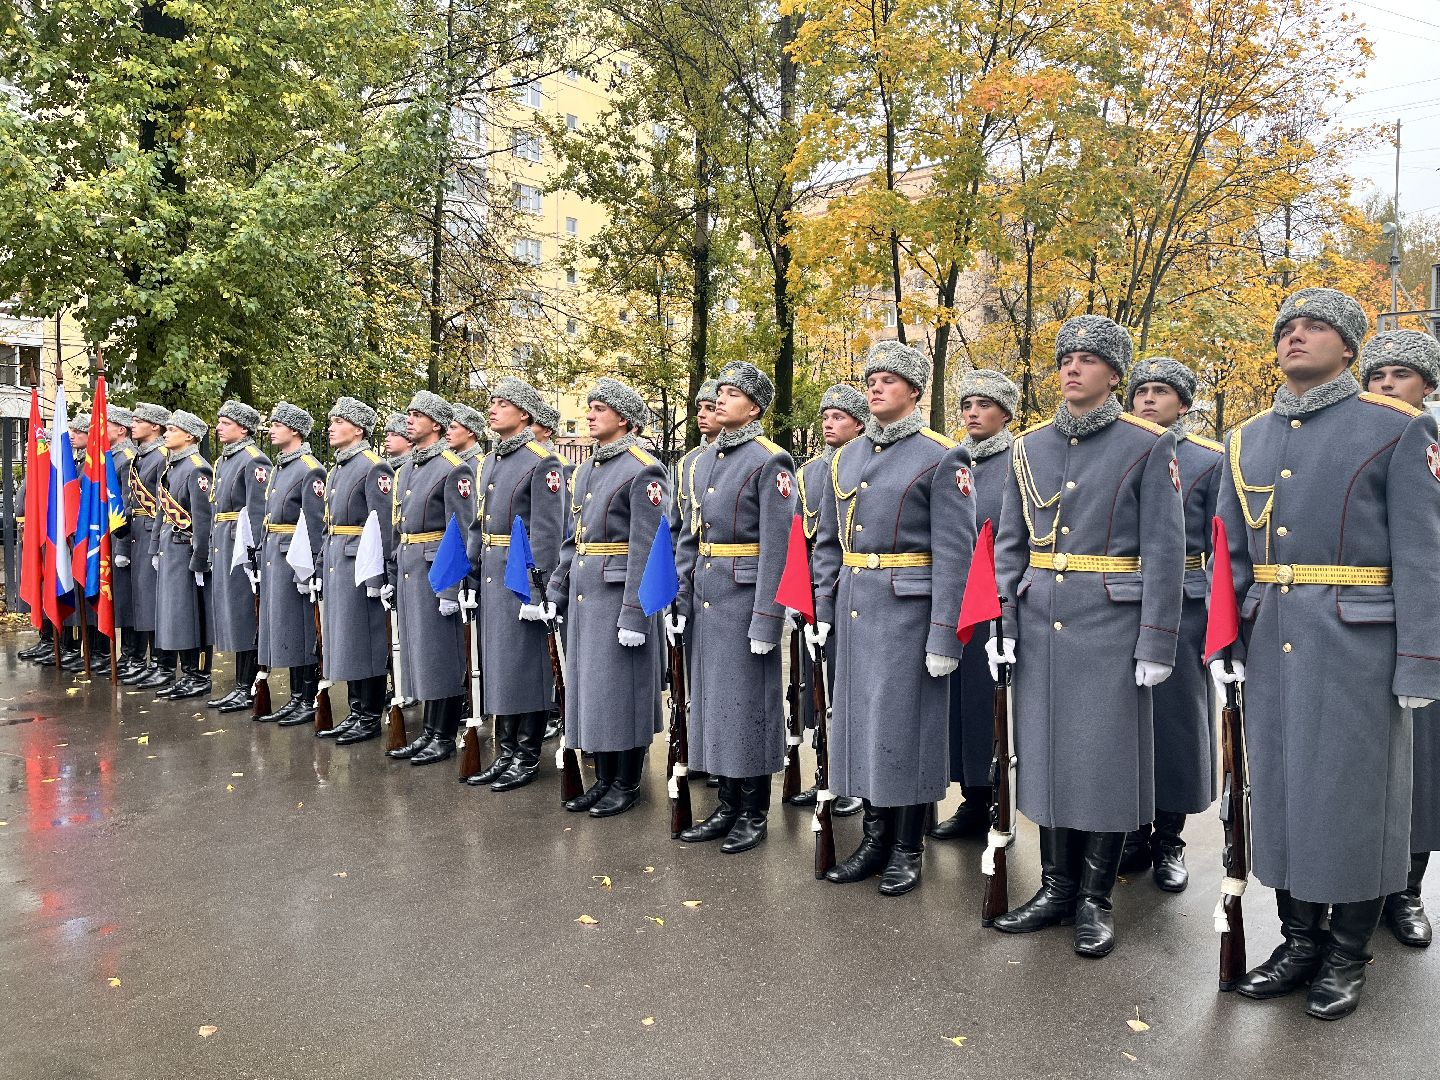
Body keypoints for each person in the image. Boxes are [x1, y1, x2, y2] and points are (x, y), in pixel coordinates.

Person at [1210, 290, 1440, 1020]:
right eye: (1287, 327)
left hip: (1358, 645)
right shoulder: (1246, 438)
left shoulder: (1398, 427)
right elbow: (1229, 553)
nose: (1296, 336)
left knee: (1353, 800)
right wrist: (1224, 640)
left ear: (1348, 348)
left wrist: (1421, 661)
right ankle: (1299, 942)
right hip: (1272, 639)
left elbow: (1423, 555)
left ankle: (1346, 952)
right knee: (1280, 794)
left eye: (1315, 327)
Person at [989, 315, 1185, 958]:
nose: (1073, 368)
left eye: (1089, 359)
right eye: (1065, 358)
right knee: (1046, 757)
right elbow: (1011, 545)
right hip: (1040, 621)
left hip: (1111, 624)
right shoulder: (1029, 447)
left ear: (1114, 374)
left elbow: (1165, 550)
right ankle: (1056, 888)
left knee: (1104, 764)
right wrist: (1003, 622)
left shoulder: (1148, 444)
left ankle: (1095, 900)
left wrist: (1156, 639)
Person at [808, 345, 975, 894]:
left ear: (915, 392)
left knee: (908, 730)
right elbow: (829, 543)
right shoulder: (845, 458)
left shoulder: (942, 456)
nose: (876, 388)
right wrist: (823, 609)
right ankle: (875, 839)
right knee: (862, 728)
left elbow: (956, 554)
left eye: (889, 380)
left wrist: (945, 634)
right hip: (856, 608)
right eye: (871, 379)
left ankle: (907, 847)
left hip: (910, 613)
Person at [669, 361, 794, 853]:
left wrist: (767, 619)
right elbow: (689, 537)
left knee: (748, 708)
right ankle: (726, 804)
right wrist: (681, 598)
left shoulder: (770, 461)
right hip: (706, 597)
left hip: (744, 601)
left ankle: (753, 811)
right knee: (715, 706)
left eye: (733, 394)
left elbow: (778, 549)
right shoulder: (702, 462)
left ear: (755, 407)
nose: (721, 400)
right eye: (719, 392)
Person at [1117, 359, 1222, 892]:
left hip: (1184, 603)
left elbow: (1223, 543)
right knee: (1124, 721)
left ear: (1183, 404)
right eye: (1141, 391)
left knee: (1175, 725)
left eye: (1161, 392)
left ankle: (1168, 838)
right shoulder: (1119, 451)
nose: (1148, 400)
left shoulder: (1209, 460)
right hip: (1121, 600)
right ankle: (1132, 831)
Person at [545, 378, 668, 817]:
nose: (590, 414)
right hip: (586, 595)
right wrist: (557, 589)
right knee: (595, 692)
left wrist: (635, 613)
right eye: (590, 407)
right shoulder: (586, 470)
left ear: (624, 418)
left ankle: (626, 782)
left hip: (619, 597)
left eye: (600, 408)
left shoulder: (643, 469)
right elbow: (574, 538)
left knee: (623, 691)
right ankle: (604, 779)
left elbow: (648, 548)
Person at [1360, 328, 1440, 948]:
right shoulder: (1357, 441)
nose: (1387, 385)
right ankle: (1362, 881)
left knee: (1422, 764)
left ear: (1428, 386)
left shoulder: (1429, 441)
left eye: (1401, 376)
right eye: (1376, 376)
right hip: (1369, 619)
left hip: (1427, 621)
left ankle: (1407, 889)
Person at [465, 377, 567, 790]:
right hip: (493, 572)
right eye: (491, 402)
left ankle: (525, 756)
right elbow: (479, 523)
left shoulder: (542, 461)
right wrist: (470, 575)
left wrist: (537, 589)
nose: (492, 409)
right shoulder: (490, 460)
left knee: (526, 667)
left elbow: (547, 532)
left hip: (521, 577)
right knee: (500, 665)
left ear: (524, 414)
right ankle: (505, 752)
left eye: (502, 403)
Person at [931, 369, 1019, 842]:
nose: (972, 413)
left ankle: (997, 798)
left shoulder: (1017, 462)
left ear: (1006, 414)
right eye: (967, 404)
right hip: (955, 593)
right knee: (960, 704)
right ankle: (971, 798)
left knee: (991, 703)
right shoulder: (953, 460)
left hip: (996, 599)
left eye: (984, 405)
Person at [787, 382, 869, 817]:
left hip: (851, 591)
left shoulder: (864, 464)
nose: (829, 424)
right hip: (815, 594)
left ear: (860, 424)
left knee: (848, 690)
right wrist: (796, 595)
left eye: (839, 417)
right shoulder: (808, 473)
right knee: (815, 689)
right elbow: (800, 539)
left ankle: (854, 782)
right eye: (825, 417)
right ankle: (825, 775)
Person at [386, 391, 473, 766]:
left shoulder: (453, 468)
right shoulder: (406, 469)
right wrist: (392, 573)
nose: (409, 420)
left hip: (436, 570)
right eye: (408, 414)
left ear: (436, 424)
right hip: (410, 566)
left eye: (417, 415)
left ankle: (444, 734)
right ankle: (429, 731)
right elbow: (399, 528)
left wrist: (452, 587)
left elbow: (463, 531)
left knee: (440, 654)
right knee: (420, 651)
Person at [318, 397, 394, 746]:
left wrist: (379, 576)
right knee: (346, 639)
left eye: (339, 421)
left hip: (361, 564)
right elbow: (328, 524)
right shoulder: (337, 468)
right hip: (339, 559)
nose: (331, 427)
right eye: (331, 421)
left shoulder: (373, 467)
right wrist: (322, 564)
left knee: (366, 640)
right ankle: (355, 709)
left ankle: (369, 715)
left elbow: (383, 526)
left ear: (359, 429)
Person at [255, 402, 326, 727]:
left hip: (294, 558)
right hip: (276, 552)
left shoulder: (309, 468)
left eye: (277, 424)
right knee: (285, 626)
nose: (271, 429)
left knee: (301, 628)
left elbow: (314, 522)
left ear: (294, 430)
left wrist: (311, 568)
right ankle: (297, 696)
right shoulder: (281, 467)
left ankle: (307, 696)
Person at [205, 401, 269, 713]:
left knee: (246, 615)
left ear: (243, 429)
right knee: (233, 614)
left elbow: (256, 512)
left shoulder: (253, 460)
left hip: (241, 547)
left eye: (226, 423)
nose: (218, 427)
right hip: (225, 542)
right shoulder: (225, 460)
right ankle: (240, 684)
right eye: (219, 422)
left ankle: (249, 686)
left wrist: (255, 555)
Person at [150, 410, 215, 699]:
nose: (166, 433)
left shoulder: (197, 468)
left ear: (189, 436)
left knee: (193, 615)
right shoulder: (173, 466)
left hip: (185, 550)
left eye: (172, 429)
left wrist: (200, 558)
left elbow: (202, 519)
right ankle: (186, 673)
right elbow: (161, 512)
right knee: (176, 615)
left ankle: (198, 675)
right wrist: (155, 547)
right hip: (170, 549)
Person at [122, 402, 173, 688]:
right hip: (137, 532)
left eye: (138, 421)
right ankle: (146, 661)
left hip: (153, 531)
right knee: (142, 598)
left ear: (155, 426)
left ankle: (160, 663)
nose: (132, 425)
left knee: (154, 601)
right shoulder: (141, 457)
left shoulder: (162, 457)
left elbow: (164, 504)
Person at [105, 406, 143, 678]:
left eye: (106, 425)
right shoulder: (112, 456)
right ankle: (127, 655)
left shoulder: (127, 458)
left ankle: (133, 655)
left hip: (124, 537)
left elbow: (128, 507)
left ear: (121, 429)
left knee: (128, 600)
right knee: (119, 598)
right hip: (111, 535)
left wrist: (122, 546)